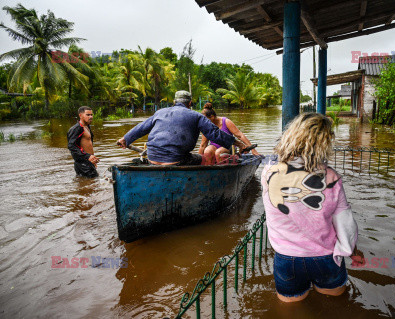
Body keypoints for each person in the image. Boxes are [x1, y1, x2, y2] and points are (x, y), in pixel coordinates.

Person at [261, 112, 363, 302]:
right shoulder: (332, 178)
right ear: (325, 143)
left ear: (291, 135)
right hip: (326, 257)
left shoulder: (268, 172)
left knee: (290, 311)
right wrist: (352, 251)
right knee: (334, 305)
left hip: (287, 258)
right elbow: (345, 224)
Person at [117, 91, 245, 165]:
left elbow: (141, 128)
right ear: (190, 103)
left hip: (152, 158)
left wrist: (125, 139)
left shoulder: (160, 112)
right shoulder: (195, 115)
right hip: (176, 160)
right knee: (203, 159)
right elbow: (215, 134)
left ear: (174, 102)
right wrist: (238, 143)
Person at [67, 106, 99, 178]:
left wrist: (92, 159)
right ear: (80, 115)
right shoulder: (76, 129)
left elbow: (87, 144)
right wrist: (87, 156)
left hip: (88, 162)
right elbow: (71, 146)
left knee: (90, 184)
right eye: (88, 115)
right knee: (91, 185)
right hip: (83, 165)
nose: (90, 117)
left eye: (91, 114)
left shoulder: (87, 126)